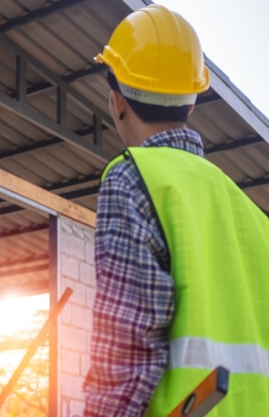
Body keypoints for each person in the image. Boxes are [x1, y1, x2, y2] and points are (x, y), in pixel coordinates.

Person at [83, 4, 269, 416]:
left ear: (117, 101)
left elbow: (125, 349)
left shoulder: (133, 179)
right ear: (192, 101)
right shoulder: (255, 218)